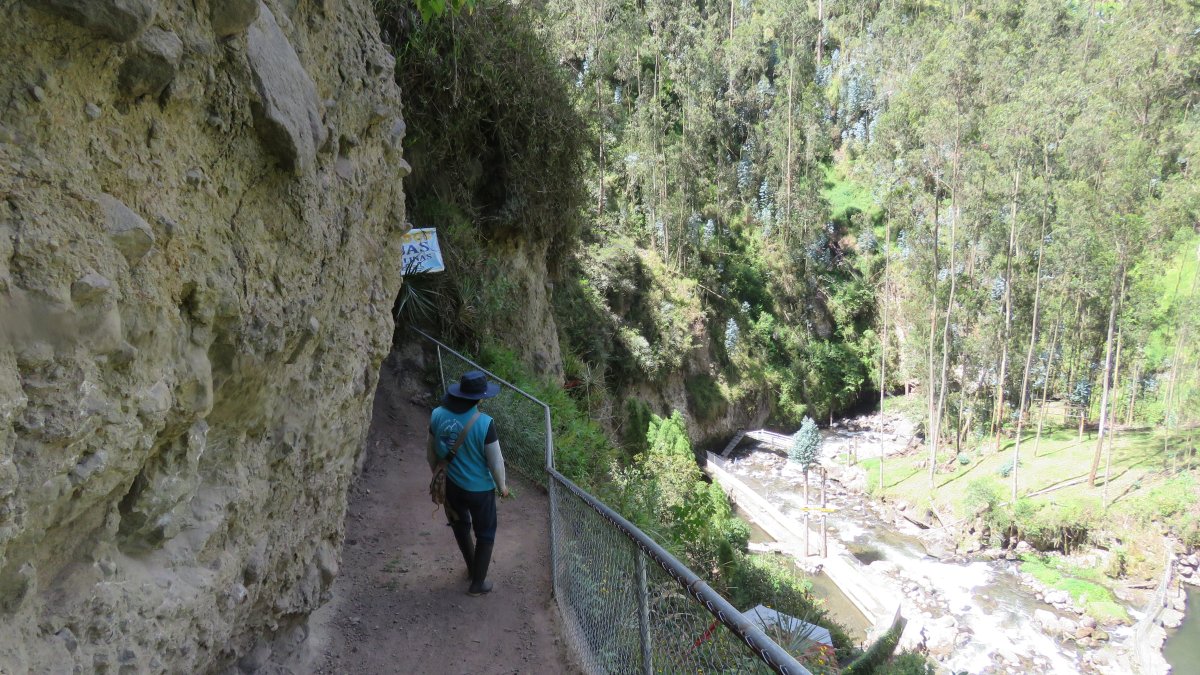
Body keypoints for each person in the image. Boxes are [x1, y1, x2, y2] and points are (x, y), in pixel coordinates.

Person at [427, 370, 510, 596]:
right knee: (485, 532)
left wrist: (438, 475)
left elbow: (431, 454)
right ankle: (478, 583)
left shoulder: (437, 415)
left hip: (451, 485)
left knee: (460, 525)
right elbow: (495, 462)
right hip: (480, 490)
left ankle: (473, 569)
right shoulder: (485, 423)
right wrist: (502, 485)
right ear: (479, 398)